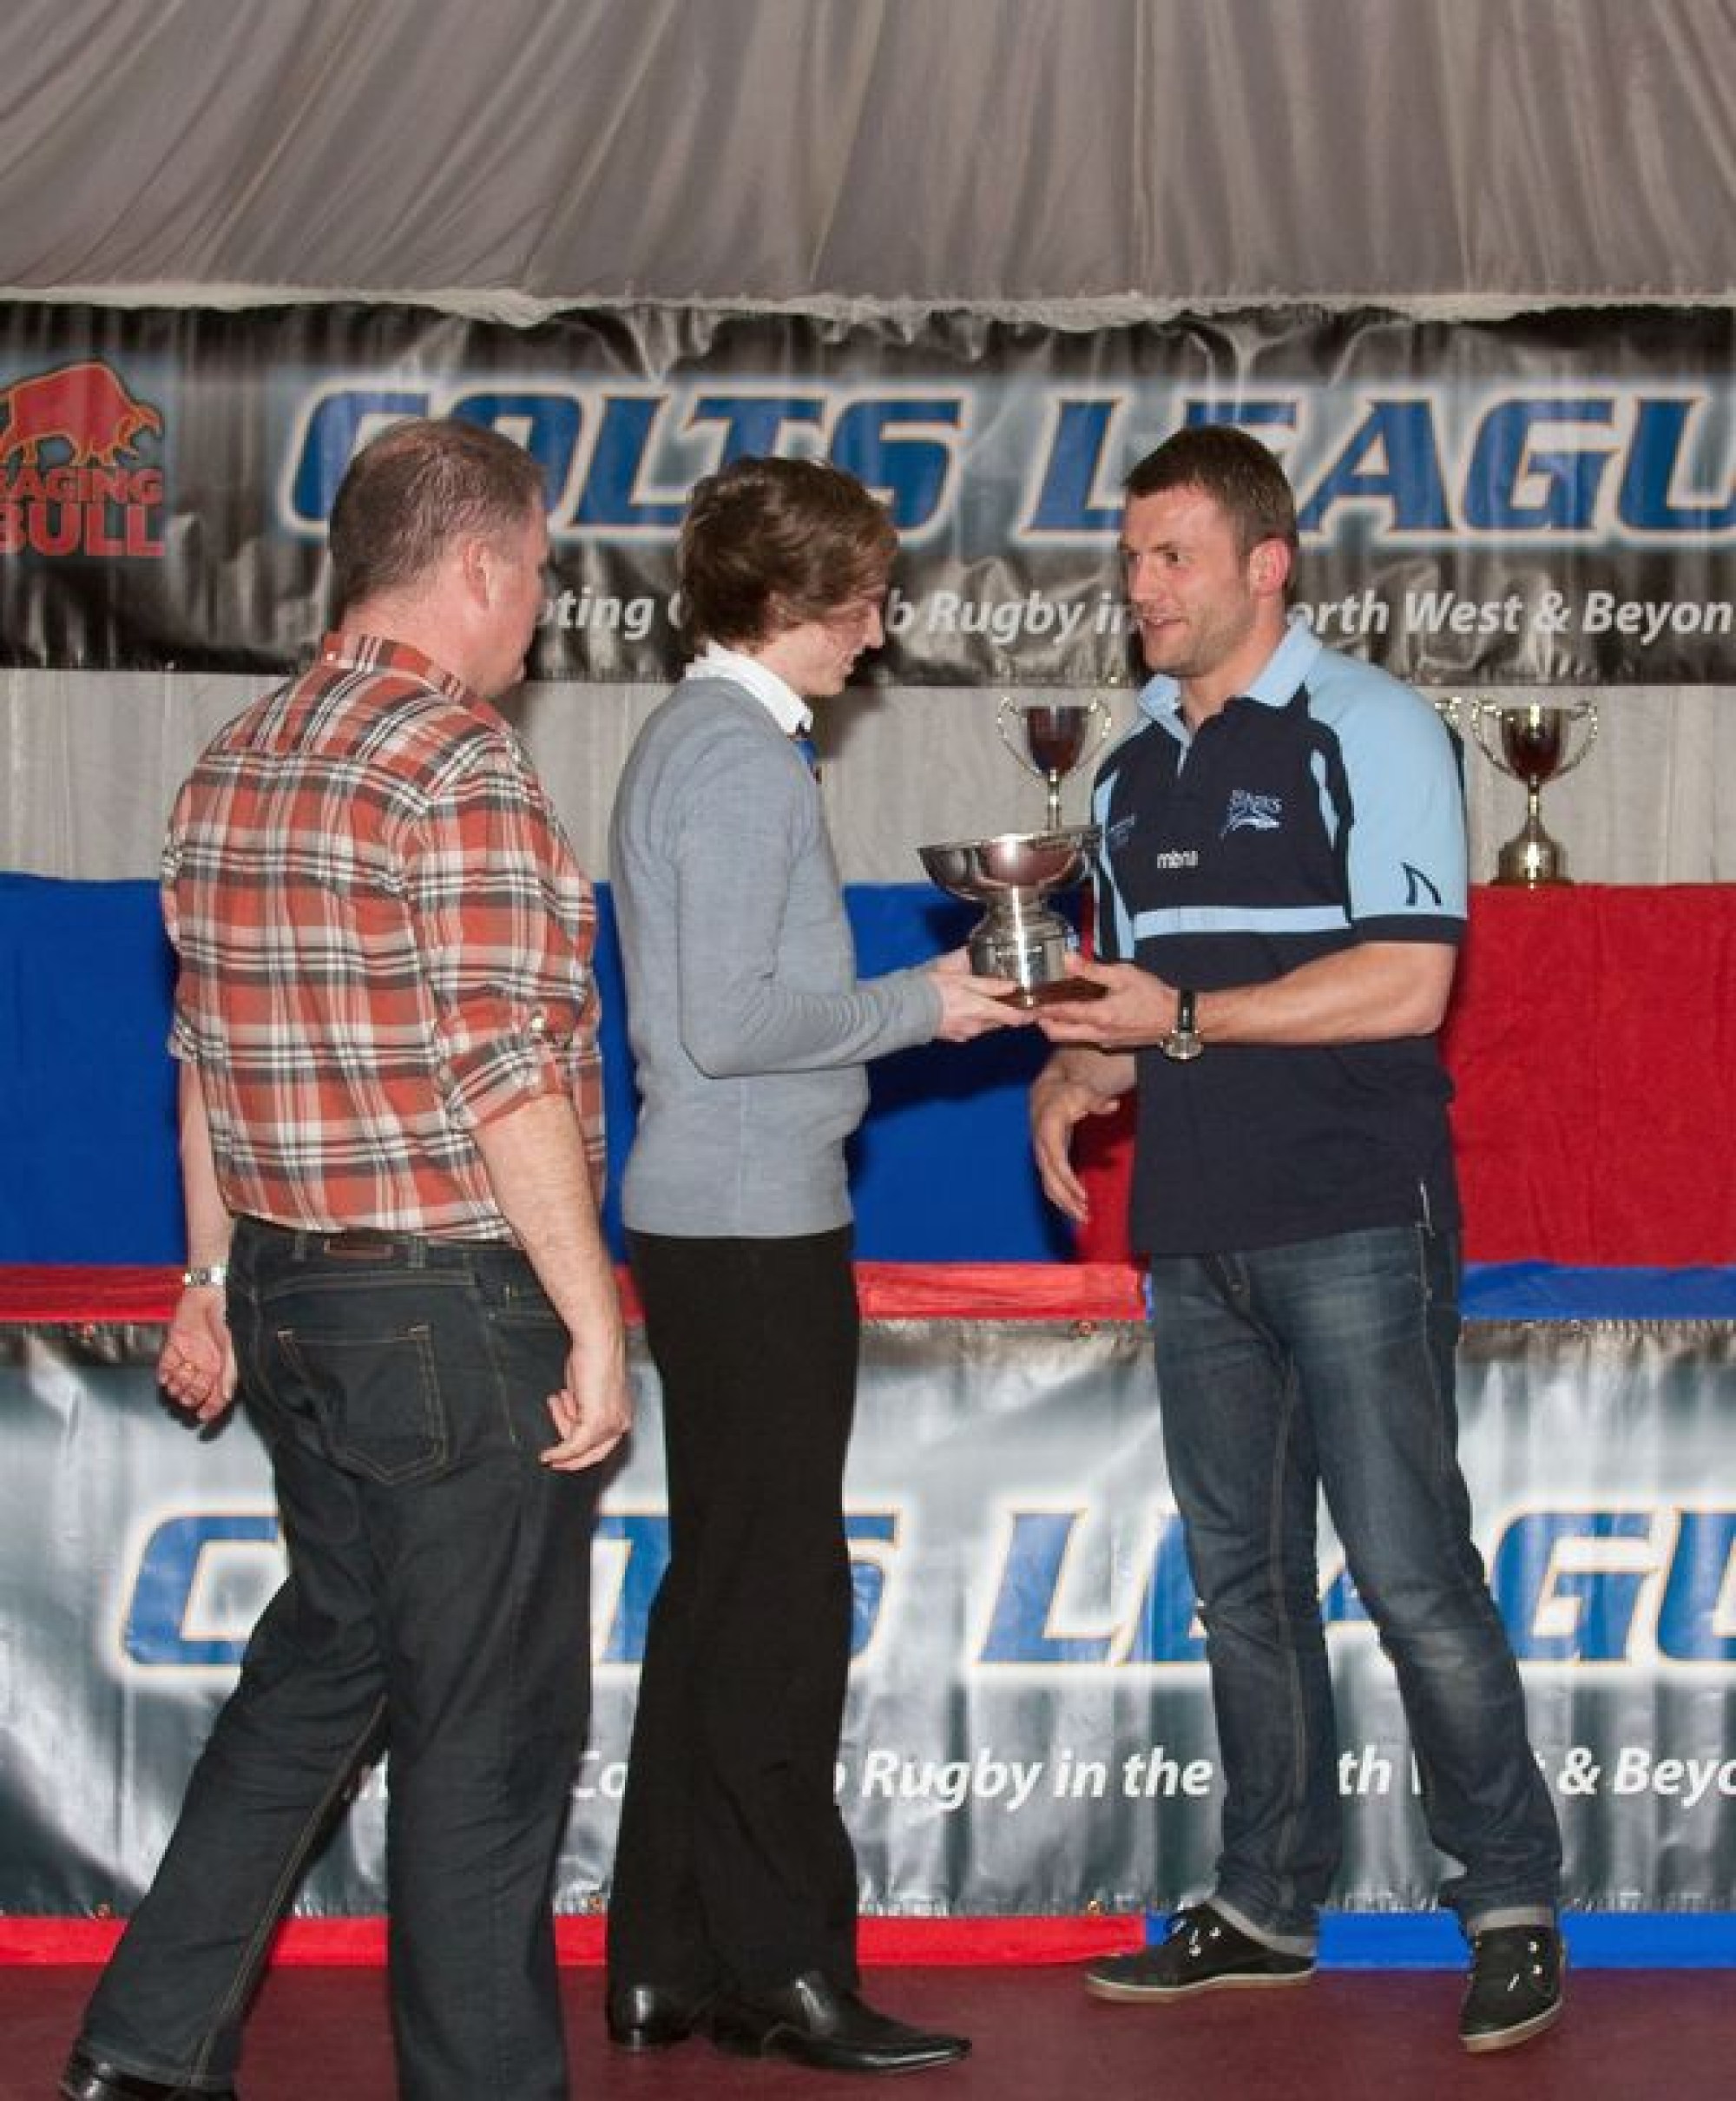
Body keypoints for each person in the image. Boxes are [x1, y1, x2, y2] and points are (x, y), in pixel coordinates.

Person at [62, 417, 630, 2101]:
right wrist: (593, 1315)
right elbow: (504, 1068)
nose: (541, 609)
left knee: (327, 1669)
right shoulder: (458, 765)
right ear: (477, 566)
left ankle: (146, 2046)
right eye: (538, 572)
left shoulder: (231, 762)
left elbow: (205, 1057)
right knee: (485, 1739)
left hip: (293, 1295)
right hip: (449, 1307)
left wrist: (205, 1284)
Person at [1030, 425, 1564, 2054]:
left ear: (1267, 566)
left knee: (1412, 1575)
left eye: (1171, 557)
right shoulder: (1125, 769)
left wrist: (1177, 1017)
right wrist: (1080, 1067)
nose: (1142, 588)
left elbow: (1409, 983)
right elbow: (1156, 1008)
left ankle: (1512, 1901)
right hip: (1193, 1225)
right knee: (1242, 1589)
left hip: (1352, 1213)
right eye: (1131, 559)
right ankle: (1266, 1902)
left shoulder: (1372, 725)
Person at [603, 454, 1022, 2076]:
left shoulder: (706, 738)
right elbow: (732, 1024)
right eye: (865, 598)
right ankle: (784, 1967)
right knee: (778, 1607)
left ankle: (669, 1957)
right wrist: (932, 1002)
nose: (879, 629)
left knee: (720, 1590)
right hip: (751, 1221)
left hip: (718, 1213)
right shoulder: (736, 757)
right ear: (788, 600)